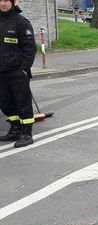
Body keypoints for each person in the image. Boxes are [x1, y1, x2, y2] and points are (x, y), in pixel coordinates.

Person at [0, 0, 36, 148]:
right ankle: (15, 129)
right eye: (0, 0)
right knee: (5, 104)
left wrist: (24, 69)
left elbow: (30, 49)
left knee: (23, 104)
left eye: (6, 0)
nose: (3, 3)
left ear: (14, 2)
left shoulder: (21, 22)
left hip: (17, 72)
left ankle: (27, 134)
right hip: (1, 72)